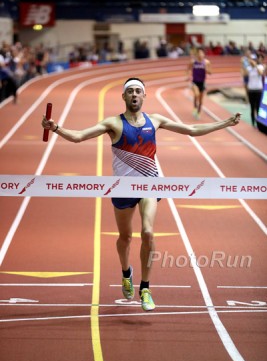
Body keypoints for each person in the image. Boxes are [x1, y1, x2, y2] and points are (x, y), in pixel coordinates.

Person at [41, 77, 241, 311]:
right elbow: (78, 136)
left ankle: (145, 288)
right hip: (123, 188)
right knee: (125, 237)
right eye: (130, 91)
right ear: (124, 97)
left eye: (139, 91)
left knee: (147, 231)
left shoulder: (155, 121)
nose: (135, 94)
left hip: (150, 185)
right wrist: (55, 128)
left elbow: (191, 129)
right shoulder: (113, 123)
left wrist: (224, 123)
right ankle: (126, 274)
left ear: (144, 96)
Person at [186, 47, 211, 120]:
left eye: (201, 53)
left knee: (200, 100)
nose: (200, 55)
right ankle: (194, 108)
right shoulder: (193, 62)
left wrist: (206, 69)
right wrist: (188, 76)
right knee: (196, 94)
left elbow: (210, 72)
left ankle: (198, 112)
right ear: (197, 54)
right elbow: (188, 69)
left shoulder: (206, 62)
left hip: (202, 82)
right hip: (195, 82)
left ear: (204, 54)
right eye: (199, 53)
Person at [244, 53, 265, 127]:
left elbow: (261, 73)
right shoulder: (249, 68)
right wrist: (245, 64)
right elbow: (244, 74)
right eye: (251, 59)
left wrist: (255, 65)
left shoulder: (260, 66)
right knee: (252, 107)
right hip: (251, 90)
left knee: (258, 107)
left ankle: (259, 123)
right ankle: (253, 122)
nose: (252, 61)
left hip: (258, 90)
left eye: (253, 59)